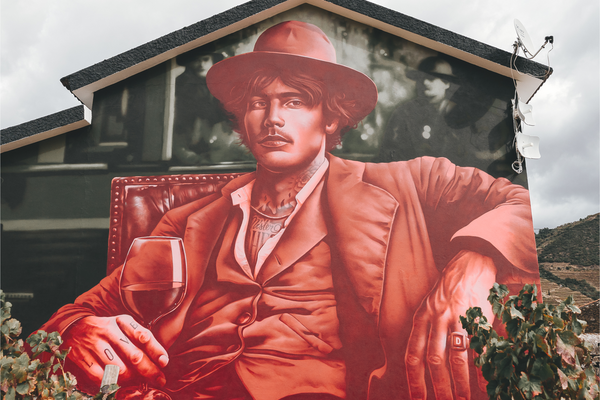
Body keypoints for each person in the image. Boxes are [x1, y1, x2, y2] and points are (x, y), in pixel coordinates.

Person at [40, 21, 540, 400]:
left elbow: (515, 202)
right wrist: (74, 331)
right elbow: (73, 316)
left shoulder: (410, 183)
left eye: (295, 101)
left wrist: (470, 271)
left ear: (330, 118)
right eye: (258, 102)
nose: (272, 118)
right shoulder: (190, 221)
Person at [377, 56, 462, 163]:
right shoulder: (404, 112)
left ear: (446, 83)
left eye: (431, 78)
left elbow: (463, 155)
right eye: (421, 78)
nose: (425, 82)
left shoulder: (457, 114)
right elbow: (389, 151)